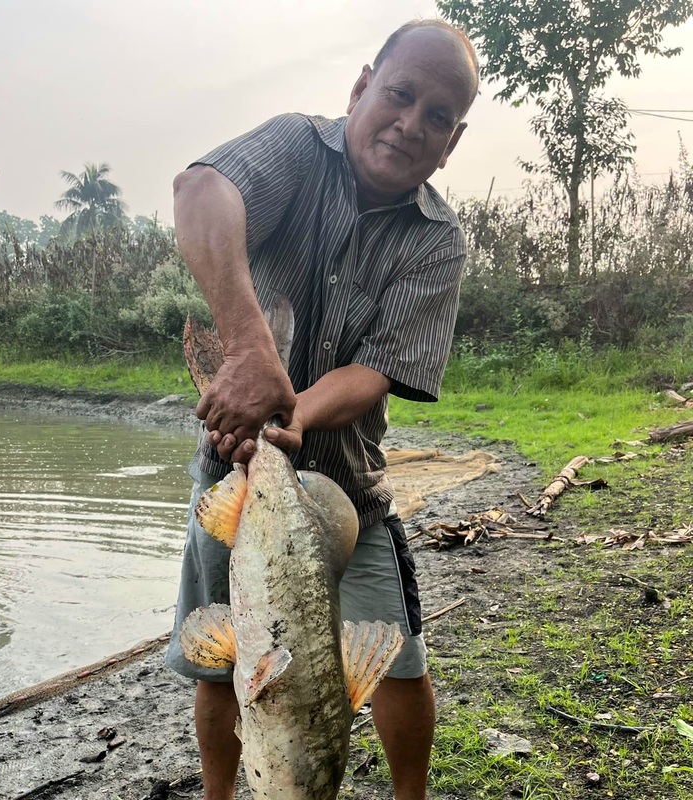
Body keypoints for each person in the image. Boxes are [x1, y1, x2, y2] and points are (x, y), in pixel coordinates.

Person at [164, 19, 479, 800]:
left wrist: (287, 413)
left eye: (437, 117)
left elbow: (377, 371)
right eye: (401, 95)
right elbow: (199, 190)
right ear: (362, 85)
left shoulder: (439, 241)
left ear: (453, 140)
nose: (411, 124)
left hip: (350, 490)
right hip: (231, 472)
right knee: (225, 664)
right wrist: (245, 348)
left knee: (398, 661)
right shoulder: (296, 149)